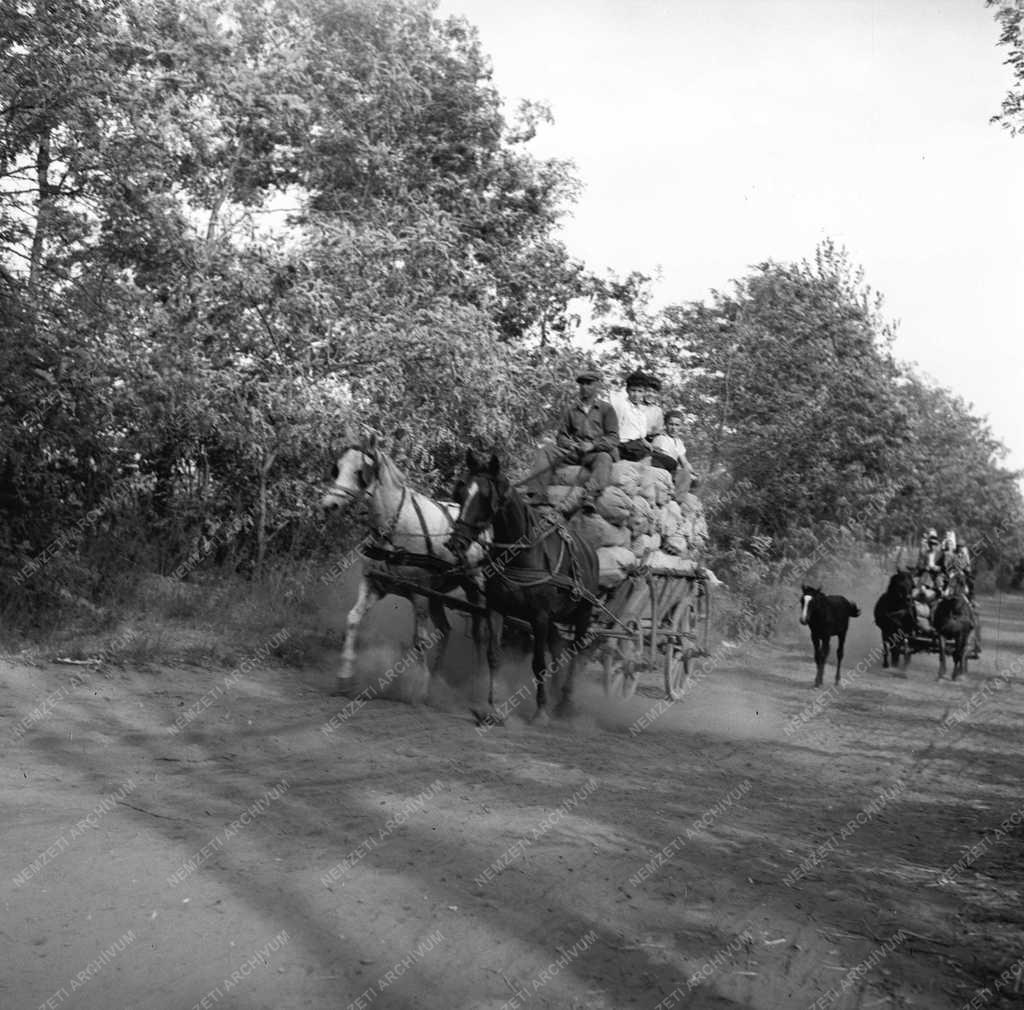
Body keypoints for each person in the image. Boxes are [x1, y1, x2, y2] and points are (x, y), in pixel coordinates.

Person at [527, 368, 619, 513]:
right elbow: (561, 436)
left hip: (595, 453)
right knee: (546, 450)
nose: (584, 387)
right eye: (582, 384)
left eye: (589, 384)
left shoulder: (606, 409)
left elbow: (613, 438)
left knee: (605, 458)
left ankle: (590, 496)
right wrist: (570, 444)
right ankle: (538, 494)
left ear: (597, 386)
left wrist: (593, 445)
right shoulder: (571, 410)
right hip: (575, 451)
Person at [608, 370, 653, 461]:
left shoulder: (640, 412)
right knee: (651, 460)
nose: (636, 395)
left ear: (644, 393)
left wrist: (646, 443)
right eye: (633, 390)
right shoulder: (622, 406)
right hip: (624, 445)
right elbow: (613, 430)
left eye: (640, 391)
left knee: (668, 461)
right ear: (627, 390)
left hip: (637, 445)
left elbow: (640, 435)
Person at [651, 410, 696, 498]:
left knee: (692, 479)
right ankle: (674, 496)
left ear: (681, 426)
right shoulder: (661, 439)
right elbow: (662, 460)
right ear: (666, 425)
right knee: (683, 476)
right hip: (662, 470)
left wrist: (692, 473)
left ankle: (678, 496)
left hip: (672, 472)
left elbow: (684, 462)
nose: (673, 428)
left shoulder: (678, 442)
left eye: (677, 425)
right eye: (671, 424)